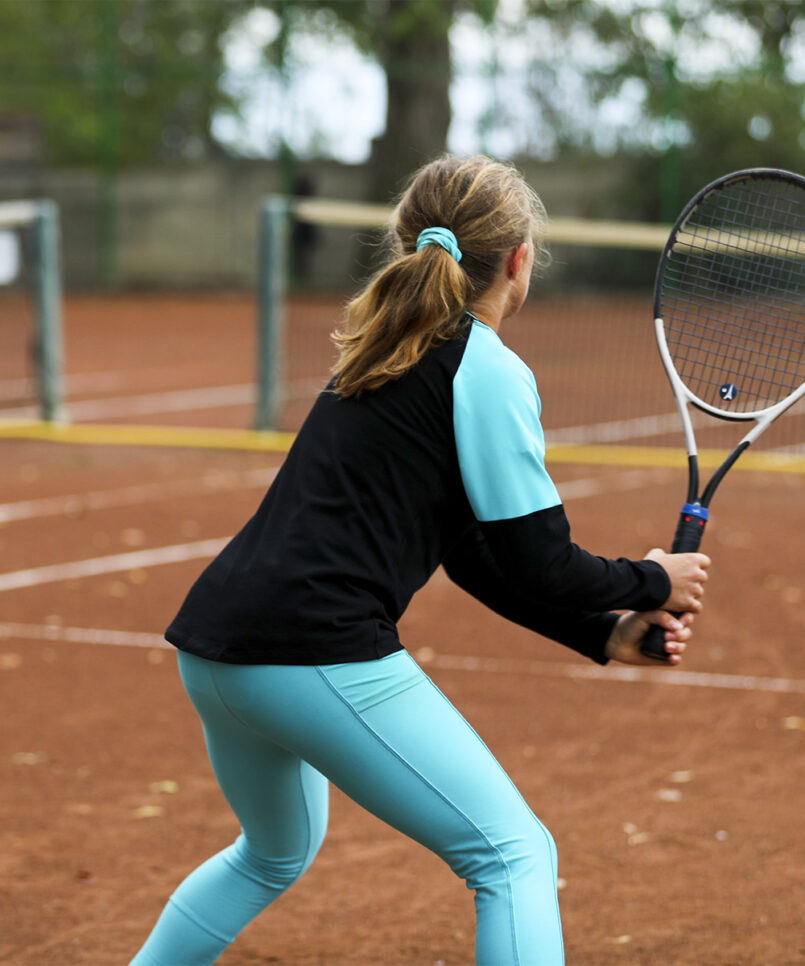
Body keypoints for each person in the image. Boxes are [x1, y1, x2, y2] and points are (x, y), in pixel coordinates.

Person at [130, 154, 709, 966]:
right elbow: (539, 561)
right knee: (513, 857)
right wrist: (654, 580)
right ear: (519, 259)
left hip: (216, 649)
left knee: (271, 853)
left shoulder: (384, 345)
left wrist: (603, 631)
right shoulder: (486, 367)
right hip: (312, 651)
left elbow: (474, 554)